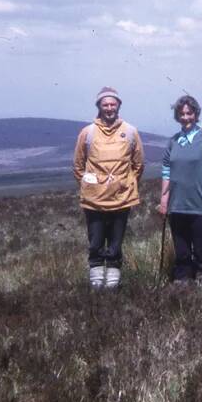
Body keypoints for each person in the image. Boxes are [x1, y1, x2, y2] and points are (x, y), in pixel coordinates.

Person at [72, 86, 145, 287]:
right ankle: (96, 285)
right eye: (105, 104)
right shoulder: (87, 132)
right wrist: (90, 186)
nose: (109, 108)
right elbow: (78, 166)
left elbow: (138, 164)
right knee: (95, 243)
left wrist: (125, 184)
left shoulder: (130, 132)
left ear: (119, 105)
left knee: (115, 244)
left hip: (121, 200)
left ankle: (112, 286)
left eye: (113, 104)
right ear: (99, 106)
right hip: (94, 201)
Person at [157, 94, 202, 282]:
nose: (185, 117)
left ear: (196, 114)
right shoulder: (173, 142)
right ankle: (182, 289)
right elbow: (166, 173)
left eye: (189, 113)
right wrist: (164, 200)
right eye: (181, 113)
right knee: (182, 253)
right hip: (176, 207)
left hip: (200, 207)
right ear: (177, 116)